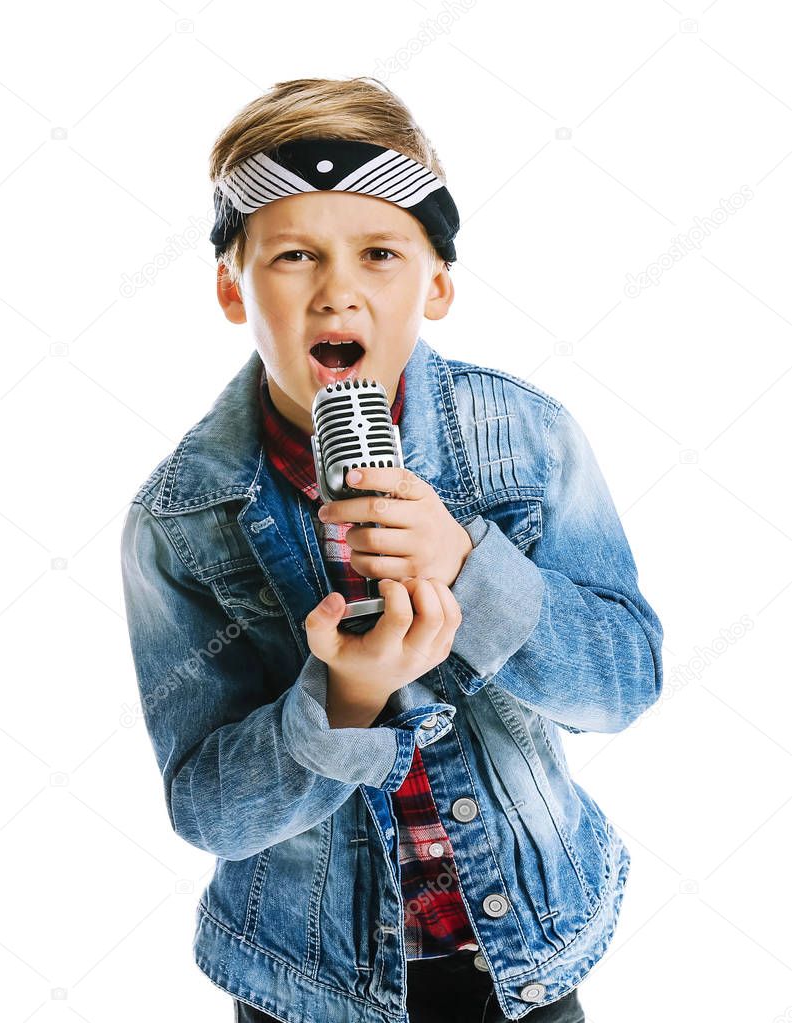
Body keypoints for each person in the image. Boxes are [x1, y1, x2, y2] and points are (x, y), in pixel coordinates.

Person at [120, 76, 663, 1023]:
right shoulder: (180, 518)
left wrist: (470, 563)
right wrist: (345, 698)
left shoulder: (526, 439)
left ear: (438, 282)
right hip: (305, 979)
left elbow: (620, 685)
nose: (338, 290)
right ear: (229, 286)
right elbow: (209, 809)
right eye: (293, 256)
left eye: (379, 252)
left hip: (528, 954)